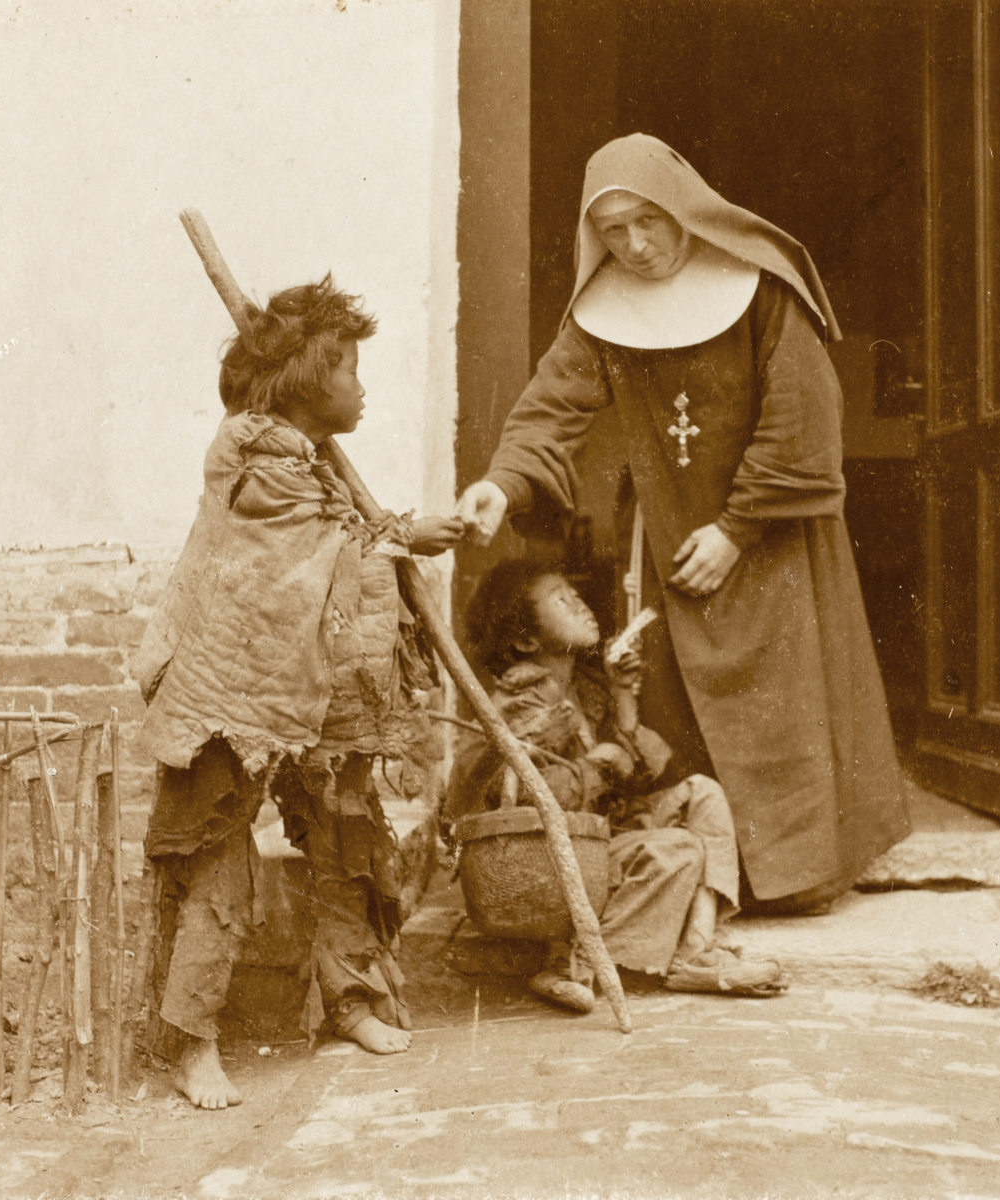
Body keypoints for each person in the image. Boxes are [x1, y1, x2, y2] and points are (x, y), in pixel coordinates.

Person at [455, 133, 909, 913]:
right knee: (674, 702)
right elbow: (550, 410)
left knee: (783, 698)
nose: (633, 246)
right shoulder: (602, 315)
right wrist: (503, 483)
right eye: (612, 231)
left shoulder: (760, 288)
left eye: (648, 222)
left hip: (771, 532)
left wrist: (735, 530)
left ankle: (799, 879)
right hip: (667, 537)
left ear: (681, 211)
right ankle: (712, 876)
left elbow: (803, 413)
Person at [131, 275, 463, 1108]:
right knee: (218, 859)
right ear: (310, 379)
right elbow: (299, 560)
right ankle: (192, 1041)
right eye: (348, 368)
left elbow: (338, 544)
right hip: (235, 692)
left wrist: (377, 533)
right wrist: (396, 535)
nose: (362, 384)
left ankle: (348, 998)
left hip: (314, 682)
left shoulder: (308, 460)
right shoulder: (253, 456)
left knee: (344, 829)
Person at [448, 560, 783, 1010]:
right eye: (561, 601)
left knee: (703, 793)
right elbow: (526, 798)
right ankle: (574, 963)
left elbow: (645, 772)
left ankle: (696, 952)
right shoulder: (521, 700)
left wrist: (624, 696)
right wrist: (602, 765)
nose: (581, 607)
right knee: (679, 850)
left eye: (577, 595)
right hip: (542, 859)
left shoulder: (585, 689)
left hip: (591, 840)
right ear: (527, 640)